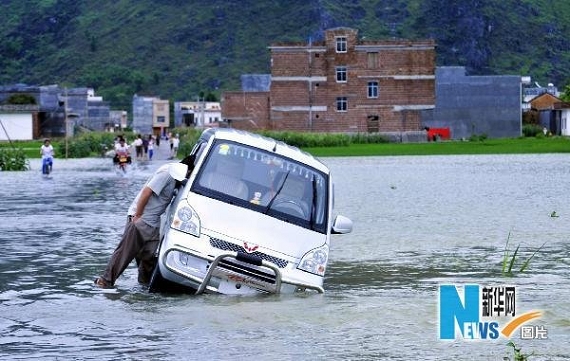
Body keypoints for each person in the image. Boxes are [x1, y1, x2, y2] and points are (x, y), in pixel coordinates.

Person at [94, 155, 196, 288]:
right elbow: (146, 192)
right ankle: (105, 281)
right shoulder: (167, 173)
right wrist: (138, 216)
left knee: (149, 258)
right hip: (141, 220)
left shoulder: (177, 179)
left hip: (153, 223)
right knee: (124, 253)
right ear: (186, 170)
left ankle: (144, 287)